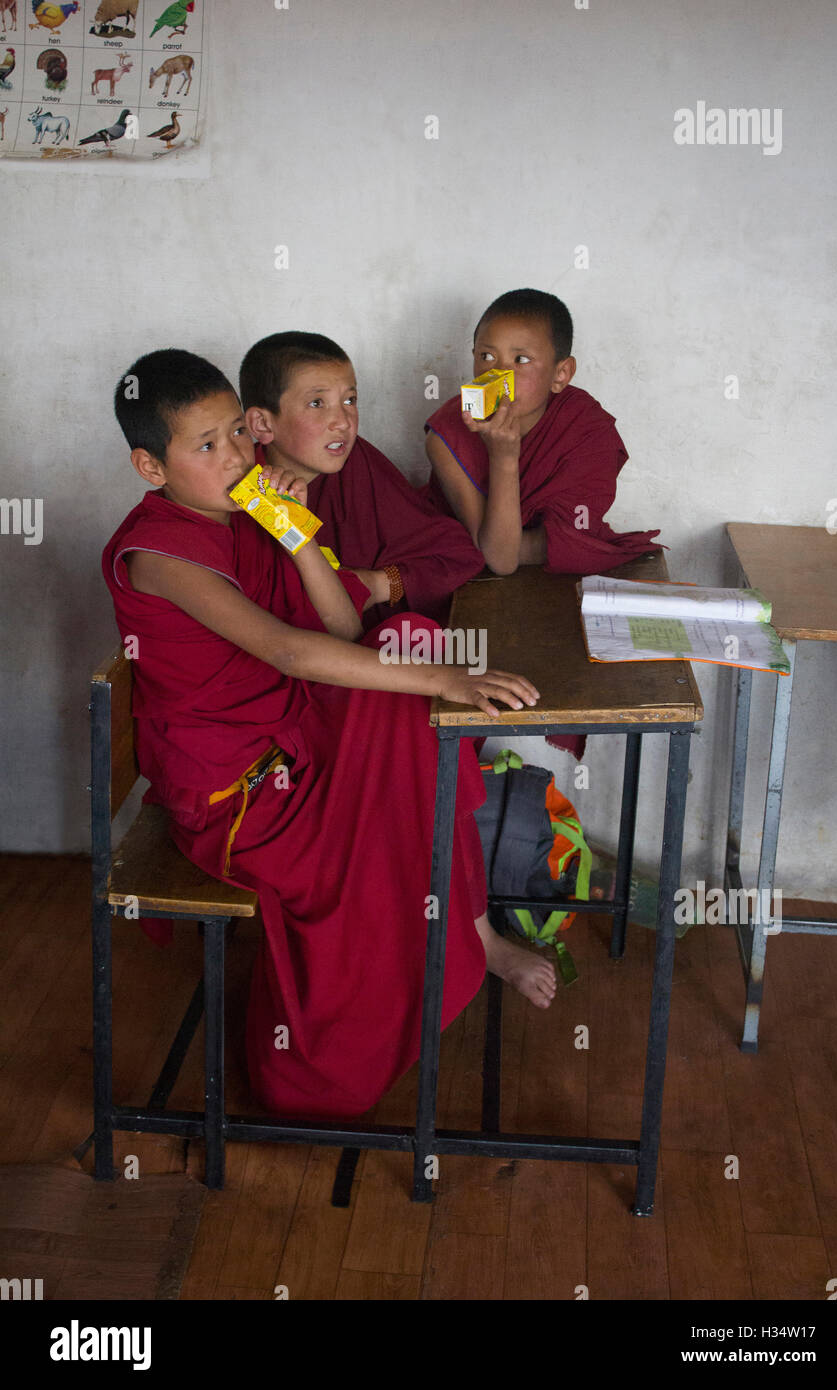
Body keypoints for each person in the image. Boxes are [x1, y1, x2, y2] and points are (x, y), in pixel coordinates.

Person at [102, 349, 555, 1122]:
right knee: (415, 712)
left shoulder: (244, 516)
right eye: (205, 447)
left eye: (234, 437)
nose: (236, 458)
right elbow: (286, 650)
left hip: (291, 741)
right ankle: (316, 1070)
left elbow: (344, 623)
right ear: (151, 466)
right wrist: (447, 680)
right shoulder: (160, 555)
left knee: (408, 640)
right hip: (240, 800)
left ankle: (468, 934)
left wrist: (296, 534)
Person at [239, 331, 485, 628]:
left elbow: (456, 554)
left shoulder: (356, 461)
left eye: (350, 399)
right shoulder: (246, 494)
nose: (343, 421)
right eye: (317, 403)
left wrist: (377, 584)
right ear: (263, 424)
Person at [423, 287, 662, 577]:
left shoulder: (584, 424)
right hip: (457, 576)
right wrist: (504, 459)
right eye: (486, 356)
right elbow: (501, 560)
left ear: (561, 374)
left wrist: (499, 542)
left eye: (521, 360)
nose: (500, 376)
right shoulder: (447, 434)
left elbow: (573, 531)